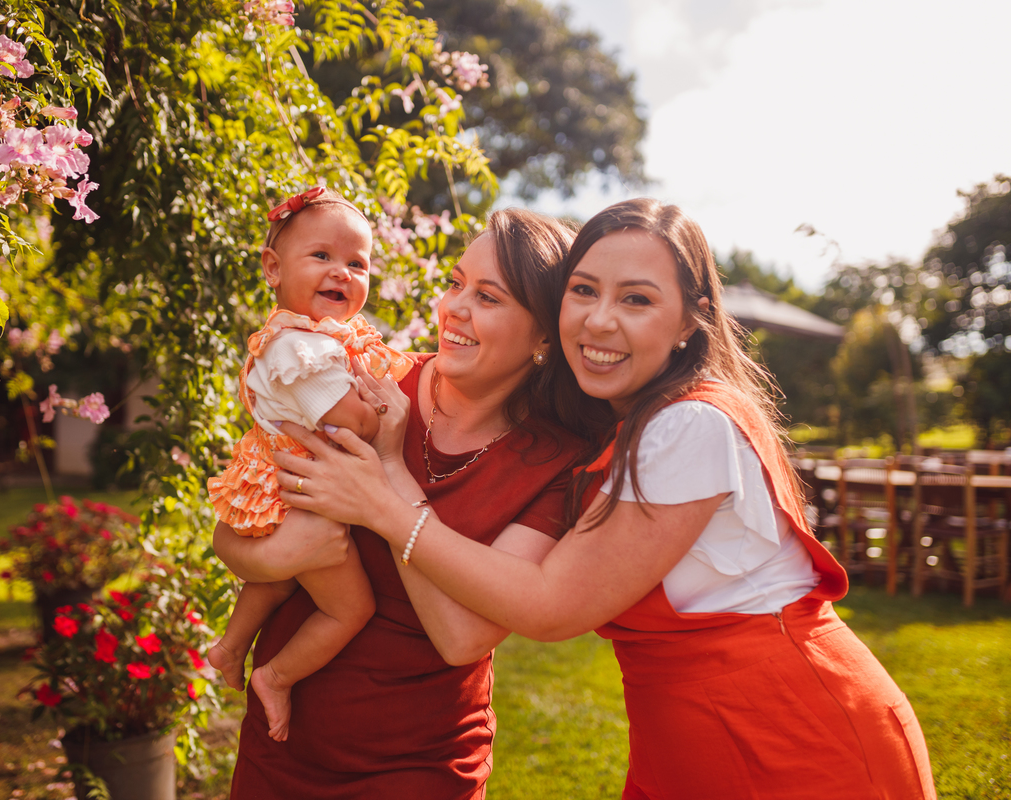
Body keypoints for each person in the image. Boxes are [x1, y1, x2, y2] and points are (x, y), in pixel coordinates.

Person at [273, 198, 937, 800]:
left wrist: (387, 504)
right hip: (685, 738)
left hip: (792, 741)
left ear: (691, 321)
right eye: (584, 290)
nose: (599, 319)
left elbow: (548, 604)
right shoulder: (627, 429)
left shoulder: (689, 425)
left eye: (637, 300)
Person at [213, 209, 602, 798]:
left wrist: (388, 479)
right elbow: (234, 531)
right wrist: (275, 558)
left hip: (419, 765)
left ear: (546, 335)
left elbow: (461, 638)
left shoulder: (558, 463)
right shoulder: (366, 386)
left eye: (488, 297)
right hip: (282, 746)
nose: (454, 308)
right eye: (455, 283)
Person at [205, 186, 415, 741]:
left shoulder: (318, 340)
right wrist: (384, 412)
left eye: (357, 264)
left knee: (278, 582)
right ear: (274, 269)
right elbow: (357, 423)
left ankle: (230, 647)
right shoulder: (298, 351)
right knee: (350, 610)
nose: (341, 272)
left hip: (294, 489)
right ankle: (275, 677)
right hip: (302, 501)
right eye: (321, 256)